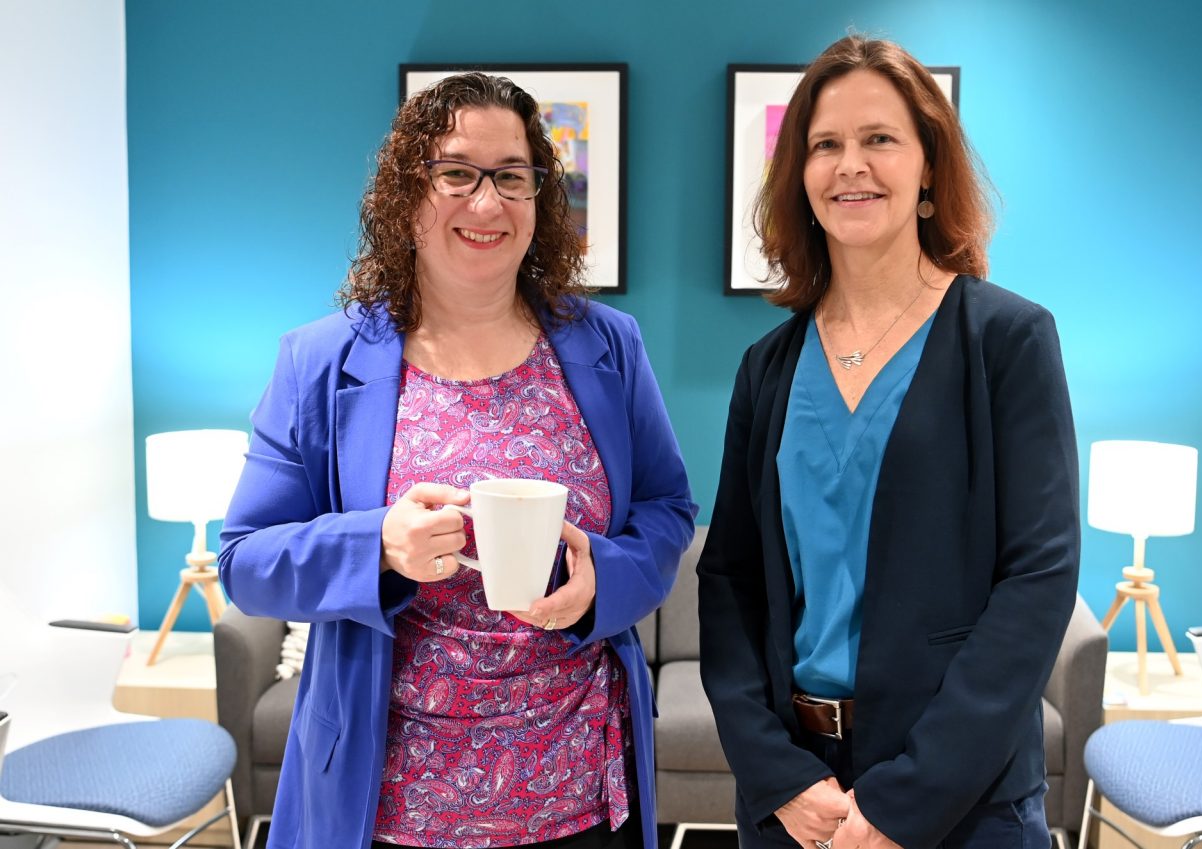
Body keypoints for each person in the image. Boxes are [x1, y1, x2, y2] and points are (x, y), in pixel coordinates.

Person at [219, 72, 696, 849]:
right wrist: (377, 541)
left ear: (540, 198)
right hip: (391, 811)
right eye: (456, 173)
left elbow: (668, 510)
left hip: (580, 798)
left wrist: (604, 579)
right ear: (408, 196)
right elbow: (245, 560)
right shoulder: (319, 362)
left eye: (512, 175)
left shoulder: (608, 345)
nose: (487, 202)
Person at [697, 34, 1079, 849]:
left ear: (928, 165)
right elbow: (728, 580)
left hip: (959, 796)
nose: (850, 165)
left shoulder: (1006, 340)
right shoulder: (767, 368)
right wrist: (777, 773)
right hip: (799, 796)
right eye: (825, 144)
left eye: (879, 139)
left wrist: (905, 799)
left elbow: (1038, 579)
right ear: (799, 174)